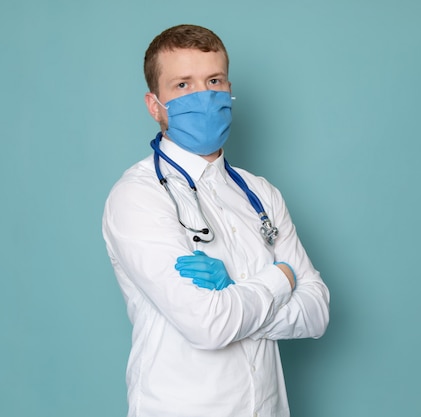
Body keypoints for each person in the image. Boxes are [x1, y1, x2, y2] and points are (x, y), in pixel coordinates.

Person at [102, 24, 330, 417]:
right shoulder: (138, 196)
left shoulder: (260, 193)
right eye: (183, 85)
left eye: (213, 80)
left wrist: (235, 292)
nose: (203, 96)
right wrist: (281, 279)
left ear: (228, 89)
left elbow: (317, 312)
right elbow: (208, 326)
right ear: (154, 104)